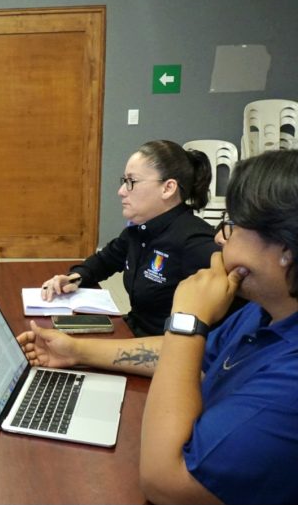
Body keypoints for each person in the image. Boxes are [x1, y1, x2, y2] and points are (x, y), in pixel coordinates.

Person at [17, 150, 298, 504]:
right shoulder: (263, 313)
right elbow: (191, 356)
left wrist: (187, 320)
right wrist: (75, 350)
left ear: (286, 248)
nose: (220, 238)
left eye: (233, 225)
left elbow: (163, 482)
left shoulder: (290, 380)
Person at [41, 140, 217, 336]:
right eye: (124, 181)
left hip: (160, 346)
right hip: (132, 331)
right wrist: (76, 277)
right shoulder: (140, 229)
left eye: (131, 182)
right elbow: (106, 260)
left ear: (168, 188)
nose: (121, 191)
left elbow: (215, 327)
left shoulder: (196, 243)